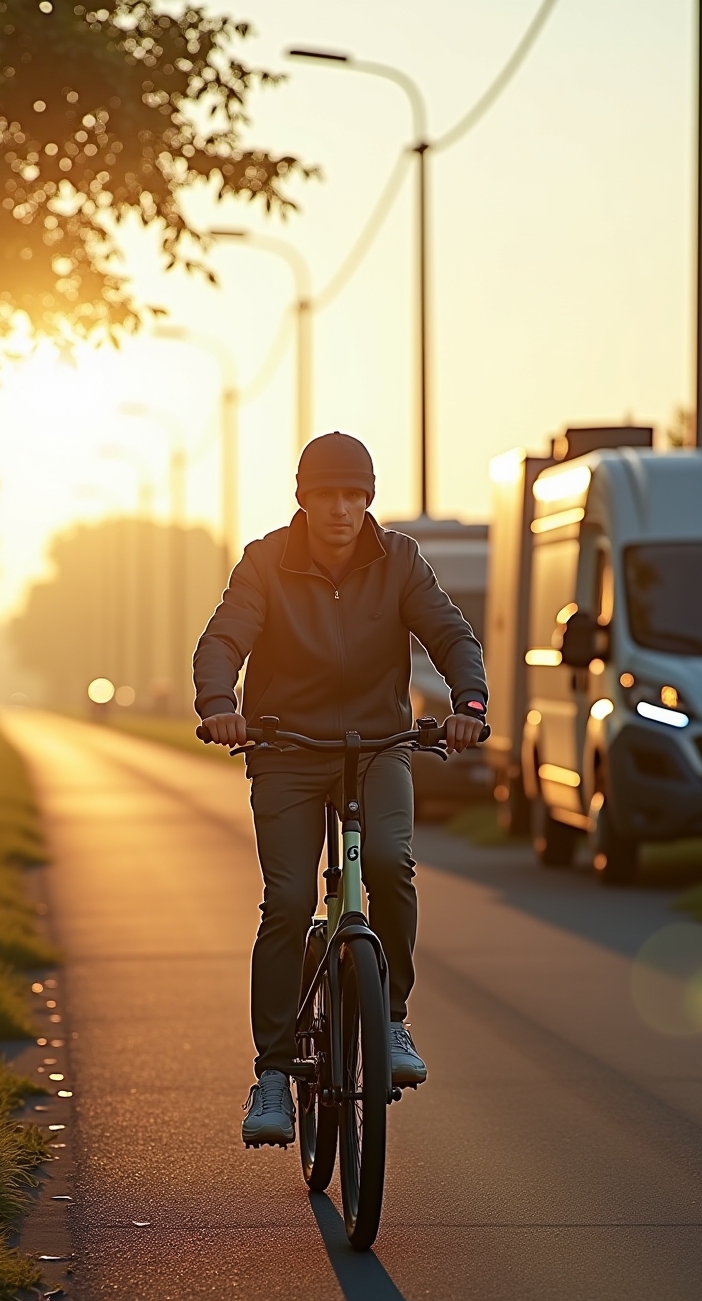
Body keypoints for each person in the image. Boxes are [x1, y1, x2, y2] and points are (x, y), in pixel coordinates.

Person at [194, 432, 488, 1146]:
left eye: (355, 495)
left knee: (390, 863)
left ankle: (390, 1021)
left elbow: (449, 634)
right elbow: (225, 638)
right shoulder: (265, 561)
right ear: (304, 497)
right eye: (328, 494)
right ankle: (272, 1072)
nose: (342, 509)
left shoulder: (400, 561)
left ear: (368, 500)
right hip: (287, 749)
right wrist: (217, 706)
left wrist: (468, 705)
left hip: (379, 746)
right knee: (290, 899)